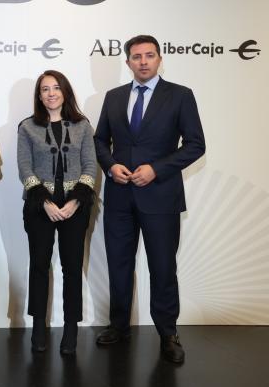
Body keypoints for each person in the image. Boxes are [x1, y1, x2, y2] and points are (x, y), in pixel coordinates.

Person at [94, 35, 205, 364]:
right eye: (136, 56)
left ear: (159, 59)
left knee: (162, 267)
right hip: (119, 198)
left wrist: (156, 169)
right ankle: (119, 326)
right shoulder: (114, 97)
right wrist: (111, 165)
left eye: (149, 55)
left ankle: (168, 333)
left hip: (160, 197)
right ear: (127, 62)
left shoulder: (180, 96)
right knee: (119, 265)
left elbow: (195, 144)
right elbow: (100, 140)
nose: (143, 61)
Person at [17, 70, 96, 355]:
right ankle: (39, 327)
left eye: (55, 88)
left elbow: (90, 165)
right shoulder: (27, 127)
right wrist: (44, 202)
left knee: (72, 268)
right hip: (40, 208)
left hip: (76, 207)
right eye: (44, 89)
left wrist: (76, 201)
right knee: (39, 265)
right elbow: (24, 168)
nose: (51, 93)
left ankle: (71, 330)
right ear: (39, 96)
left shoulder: (83, 125)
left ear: (65, 92)